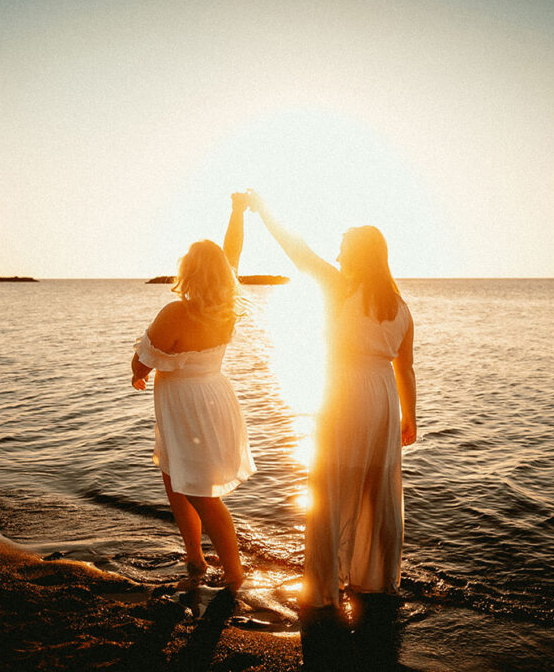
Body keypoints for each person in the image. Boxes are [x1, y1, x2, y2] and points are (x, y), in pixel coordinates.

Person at [247, 191, 417, 616]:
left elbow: (297, 250)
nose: (338, 255)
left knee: (329, 489)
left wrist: (265, 209)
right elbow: (406, 368)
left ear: (359, 256)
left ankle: (324, 589)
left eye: (344, 249)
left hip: (343, 393)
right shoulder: (399, 306)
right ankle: (375, 582)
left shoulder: (338, 287)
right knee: (374, 492)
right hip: (383, 400)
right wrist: (411, 414)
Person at [131, 192, 254, 593]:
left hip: (188, 405)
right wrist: (237, 213)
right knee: (176, 480)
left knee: (199, 492)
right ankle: (195, 560)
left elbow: (141, 363)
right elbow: (231, 252)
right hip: (213, 395)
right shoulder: (226, 305)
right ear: (220, 275)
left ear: (187, 271)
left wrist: (138, 375)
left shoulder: (177, 313)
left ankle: (235, 575)